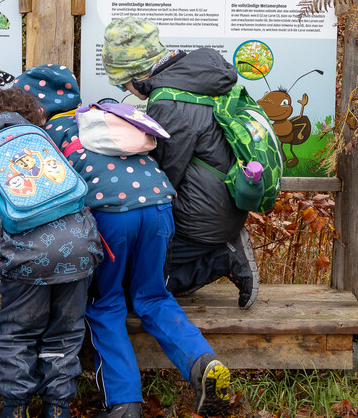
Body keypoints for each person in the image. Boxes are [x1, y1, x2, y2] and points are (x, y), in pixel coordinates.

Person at [17, 64, 232, 418]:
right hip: (160, 206)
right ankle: (201, 361)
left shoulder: (49, 134)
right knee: (153, 296)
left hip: (111, 215)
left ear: (36, 110)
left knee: (106, 303)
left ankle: (125, 405)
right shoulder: (104, 116)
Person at [0, 88, 103, 418]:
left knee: (17, 335)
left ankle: (13, 414)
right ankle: (58, 413)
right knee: (64, 332)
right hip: (79, 252)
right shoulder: (47, 148)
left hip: (25, 263)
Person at [101, 18, 260, 309]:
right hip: (226, 200)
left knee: (133, 284)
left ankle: (222, 256)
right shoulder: (196, 75)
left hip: (201, 217)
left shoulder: (166, 100)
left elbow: (162, 178)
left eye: (123, 82)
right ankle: (219, 248)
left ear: (135, 74)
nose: (127, 89)